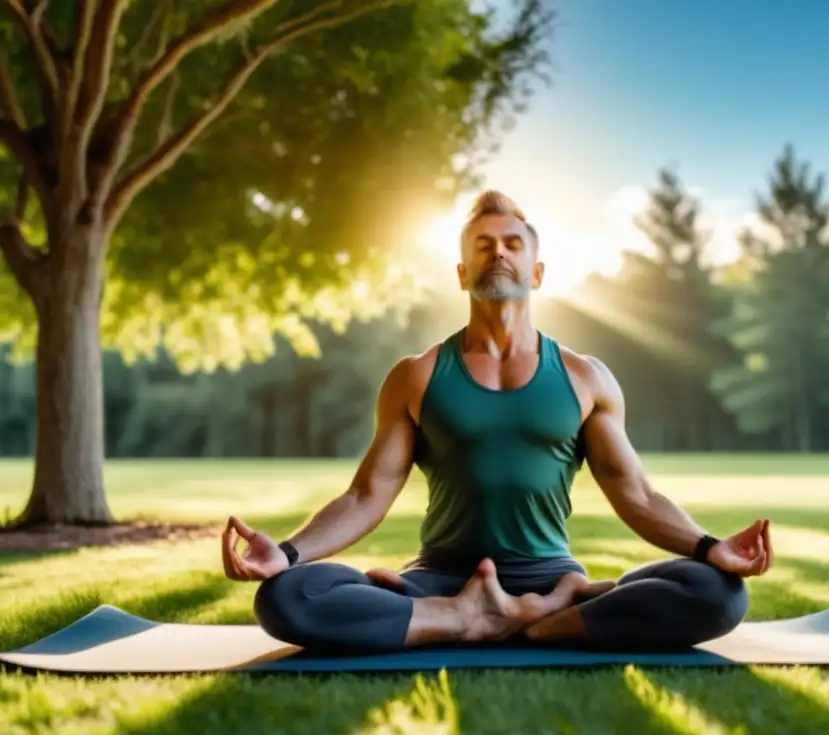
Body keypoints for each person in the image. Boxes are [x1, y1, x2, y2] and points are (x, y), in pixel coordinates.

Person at [221, 190, 774, 654]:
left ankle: (547, 618)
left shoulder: (586, 378)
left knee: (718, 593)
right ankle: (459, 617)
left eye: (513, 244)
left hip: (549, 579)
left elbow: (636, 494)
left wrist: (709, 549)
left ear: (536, 271)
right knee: (286, 597)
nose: (499, 254)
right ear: (462, 273)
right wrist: (287, 554)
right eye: (483, 246)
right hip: (438, 578)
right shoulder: (415, 376)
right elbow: (368, 494)